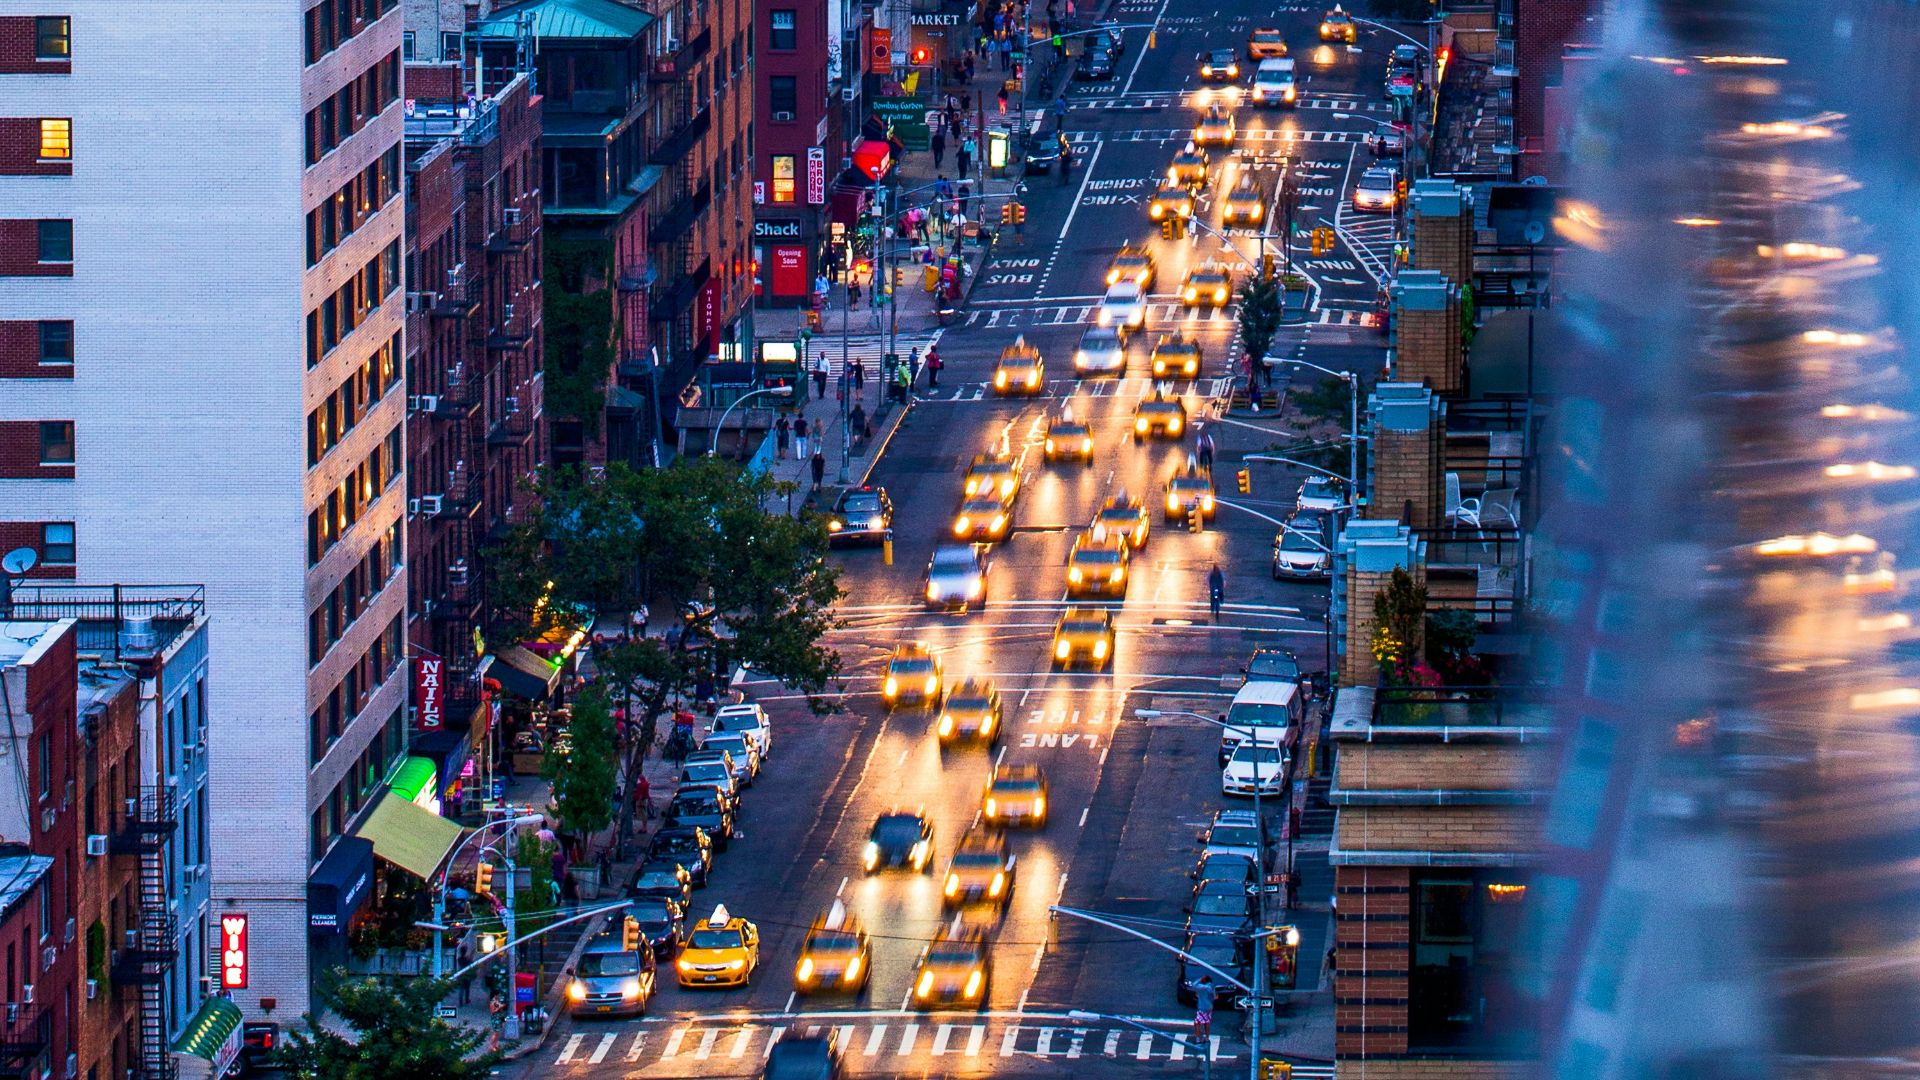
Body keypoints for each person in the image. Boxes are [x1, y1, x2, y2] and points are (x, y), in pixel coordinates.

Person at [1193, 976, 1217, 1040]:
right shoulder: (1212, 987)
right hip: (1210, 1007)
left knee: (1197, 1022)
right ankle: (1207, 1037)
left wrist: (1199, 979)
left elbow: (1194, 985)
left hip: (1202, 1007)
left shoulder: (1202, 987)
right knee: (1207, 1022)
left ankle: (1197, 1038)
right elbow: (1214, 997)